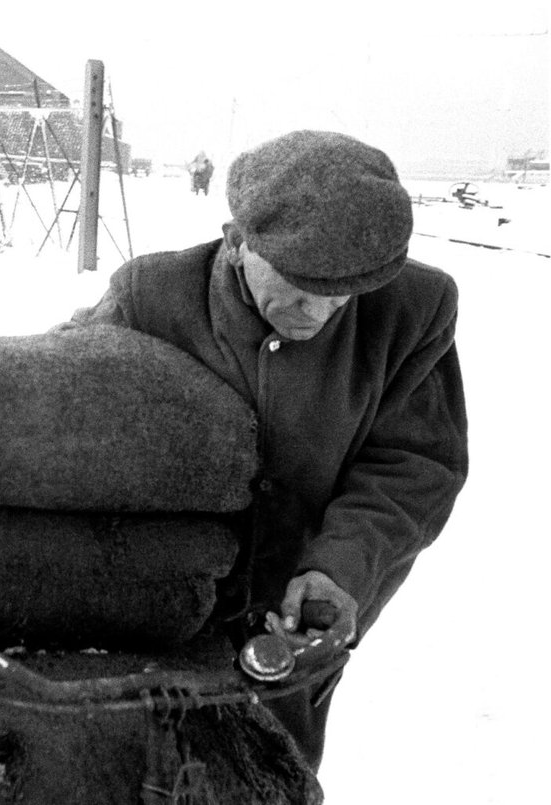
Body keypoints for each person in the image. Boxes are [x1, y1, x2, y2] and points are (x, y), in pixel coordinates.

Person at [61, 129, 468, 772]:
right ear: (235, 242)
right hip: (157, 600)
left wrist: (340, 568)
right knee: (125, 765)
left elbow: (414, 466)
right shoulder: (151, 296)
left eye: (342, 294)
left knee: (271, 768)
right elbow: (61, 401)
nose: (318, 312)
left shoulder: (415, 310)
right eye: (298, 287)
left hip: (298, 615)